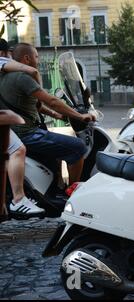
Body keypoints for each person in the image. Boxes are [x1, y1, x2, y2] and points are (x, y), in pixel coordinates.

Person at [0, 43, 95, 189]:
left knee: (58, 150)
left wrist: (56, 115)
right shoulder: (21, 78)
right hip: (27, 134)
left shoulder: (4, 76)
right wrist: (80, 116)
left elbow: (35, 105)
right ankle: (70, 194)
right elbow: (52, 100)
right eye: (36, 57)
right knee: (78, 148)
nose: (38, 60)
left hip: (14, 133)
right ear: (27, 58)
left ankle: (56, 187)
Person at [0, 39, 45, 217]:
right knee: (17, 149)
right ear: (4, 53)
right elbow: (32, 70)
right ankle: (18, 200)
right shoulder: (2, 61)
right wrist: (39, 93)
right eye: (10, 55)